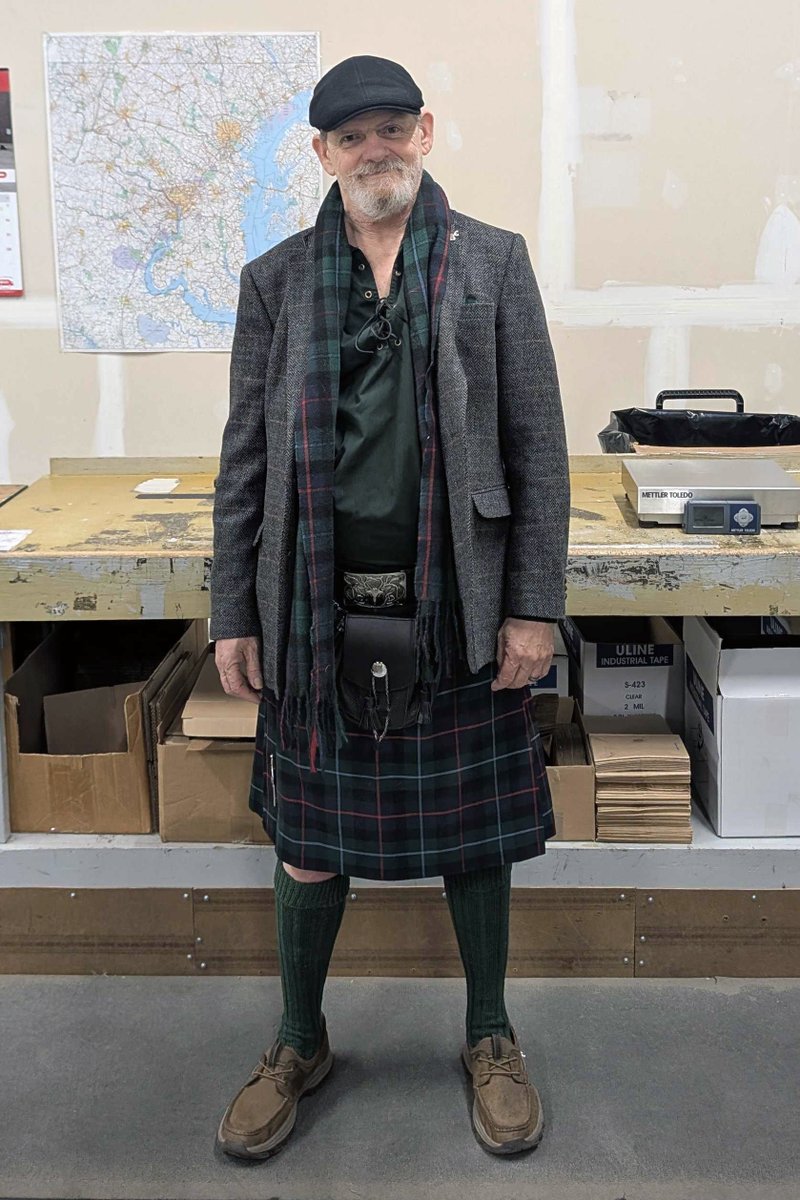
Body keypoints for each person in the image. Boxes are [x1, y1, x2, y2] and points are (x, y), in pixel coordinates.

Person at [210, 54, 570, 1162]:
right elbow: (245, 462)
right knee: (311, 847)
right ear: (320, 154)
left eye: (391, 129)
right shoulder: (274, 281)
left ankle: (490, 1036)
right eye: (349, 135)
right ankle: (296, 1041)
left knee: (475, 845)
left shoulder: (493, 266)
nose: (374, 150)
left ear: (424, 132)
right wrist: (233, 610)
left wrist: (532, 609)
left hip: (456, 604)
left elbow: (535, 451)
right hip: (315, 610)